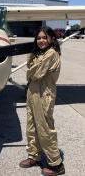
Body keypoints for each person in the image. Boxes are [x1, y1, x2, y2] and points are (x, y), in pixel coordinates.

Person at [19, 26, 65, 175]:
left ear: (51, 38)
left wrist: (30, 69)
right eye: (38, 38)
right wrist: (31, 64)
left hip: (43, 94)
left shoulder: (51, 53)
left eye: (44, 37)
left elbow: (34, 72)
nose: (41, 41)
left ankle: (56, 164)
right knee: (31, 126)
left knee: (44, 128)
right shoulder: (39, 53)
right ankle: (34, 156)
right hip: (32, 93)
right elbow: (30, 66)